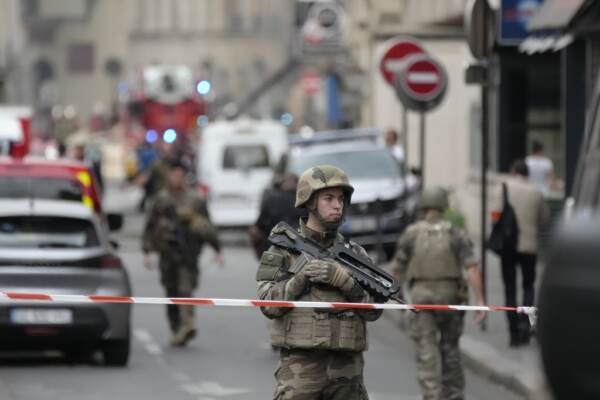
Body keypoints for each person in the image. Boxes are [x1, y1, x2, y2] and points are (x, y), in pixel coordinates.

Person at [256, 165, 383, 400]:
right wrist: (300, 278)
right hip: (301, 368)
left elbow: (374, 311)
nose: (338, 205)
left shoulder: (355, 255)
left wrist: (346, 283)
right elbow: (267, 304)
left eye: (342, 199)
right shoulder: (284, 249)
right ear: (310, 201)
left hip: (347, 372)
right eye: (328, 198)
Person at [390, 186, 485, 400]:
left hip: (421, 300)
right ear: (443, 205)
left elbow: (397, 269)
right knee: (450, 348)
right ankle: (453, 394)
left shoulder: (412, 233)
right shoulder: (455, 232)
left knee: (426, 350)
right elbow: (471, 268)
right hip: (450, 298)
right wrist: (480, 300)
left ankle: (432, 394)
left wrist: (400, 299)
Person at [142, 159, 224, 346]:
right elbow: (150, 226)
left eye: (180, 175)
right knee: (171, 292)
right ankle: (176, 327)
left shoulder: (195, 199)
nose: (176, 178)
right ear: (169, 176)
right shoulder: (161, 199)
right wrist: (147, 252)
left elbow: (207, 226)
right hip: (167, 254)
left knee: (185, 290)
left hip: (188, 253)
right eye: (174, 174)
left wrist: (217, 249)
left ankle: (187, 324)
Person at [492, 160, 549, 347]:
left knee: (510, 288)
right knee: (528, 286)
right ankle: (525, 323)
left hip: (508, 246)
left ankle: (513, 332)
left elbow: (494, 215)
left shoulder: (503, 188)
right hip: (529, 246)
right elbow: (544, 219)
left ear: (513, 171)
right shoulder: (536, 192)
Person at [249, 173, 306, 259]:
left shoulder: (271, 200)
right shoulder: (305, 202)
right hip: (301, 249)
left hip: (274, 248)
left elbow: (258, 226)